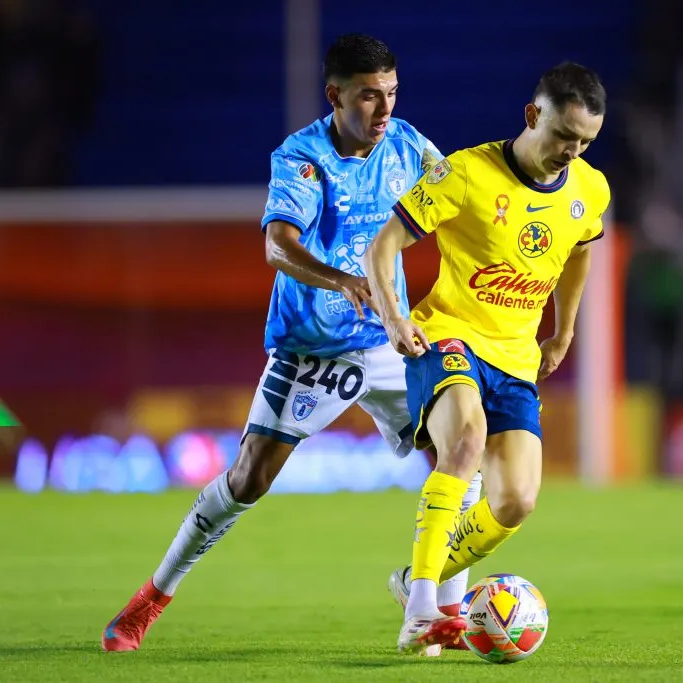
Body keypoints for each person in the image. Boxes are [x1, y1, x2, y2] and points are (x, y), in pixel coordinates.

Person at [101, 34, 481, 652]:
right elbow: (277, 245)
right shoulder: (302, 158)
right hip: (311, 353)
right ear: (334, 96)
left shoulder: (410, 146)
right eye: (367, 96)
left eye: (391, 93)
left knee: (465, 452)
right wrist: (344, 280)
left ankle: (443, 608)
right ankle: (151, 598)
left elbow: (463, 197)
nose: (383, 109)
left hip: (390, 340)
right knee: (248, 480)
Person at [365, 61, 610, 653]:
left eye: (584, 142)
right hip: (447, 336)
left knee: (516, 501)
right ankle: (423, 611)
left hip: (516, 358)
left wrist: (564, 330)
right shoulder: (466, 173)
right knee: (466, 443)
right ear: (533, 116)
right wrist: (395, 319)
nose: (571, 152)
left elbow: (579, 250)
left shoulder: (589, 188)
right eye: (562, 136)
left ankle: (413, 578)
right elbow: (384, 245)